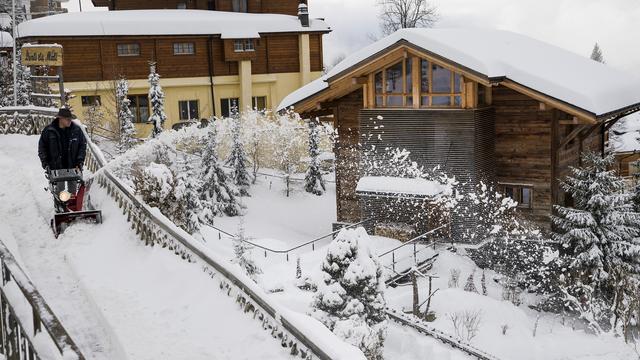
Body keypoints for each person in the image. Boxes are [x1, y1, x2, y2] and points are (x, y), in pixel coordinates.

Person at [38, 107, 87, 172]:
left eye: (70, 119)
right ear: (60, 118)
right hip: (55, 169)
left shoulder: (77, 130)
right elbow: (42, 148)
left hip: (74, 168)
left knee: (74, 182)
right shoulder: (49, 131)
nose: (70, 121)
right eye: (67, 119)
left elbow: (82, 146)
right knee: (58, 182)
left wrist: (80, 161)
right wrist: (45, 163)